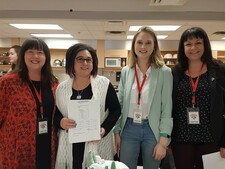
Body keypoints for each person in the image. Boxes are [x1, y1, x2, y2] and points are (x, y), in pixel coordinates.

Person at [113, 26, 173, 169]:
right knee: (125, 167)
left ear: (154, 46)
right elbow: (119, 104)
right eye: (139, 42)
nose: (143, 47)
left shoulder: (164, 72)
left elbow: (167, 107)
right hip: (128, 128)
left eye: (148, 43)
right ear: (134, 45)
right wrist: (116, 131)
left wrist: (163, 141)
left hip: (152, 129)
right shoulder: (126, 71)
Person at [54, 43, 121, 169]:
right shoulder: (61, 88)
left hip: (96, 141)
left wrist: (104, 129)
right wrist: (61, 122)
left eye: (88, 60)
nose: (85, 63)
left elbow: (116, 110)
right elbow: (56, 114)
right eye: (80, 59)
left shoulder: (104, 84)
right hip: (71, 143)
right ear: (71, 62)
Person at [171, 27, 225, 169]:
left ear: (205, 44)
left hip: (211, 139)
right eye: (188, 44)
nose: (193, 48)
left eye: (198, 43)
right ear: (182, 47)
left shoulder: (220, 70)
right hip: (181, 139)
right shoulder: (175, 73)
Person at [0, 38, 59, 169]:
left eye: (40, 52)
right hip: (17, 150)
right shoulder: (8, 82)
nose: (35, 56)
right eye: (30, 52)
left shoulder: (53, 83)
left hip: (47, 146)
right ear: (23, 55)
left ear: (46, 57)